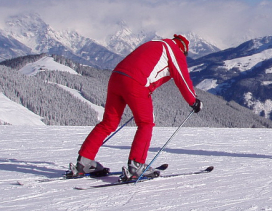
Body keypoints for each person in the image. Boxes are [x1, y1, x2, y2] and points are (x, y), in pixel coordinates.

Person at [67, 34, 202, 180]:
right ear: (184, 49)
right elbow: (182, 78)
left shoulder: (156, 43)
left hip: (116, 78)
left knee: (108, 123)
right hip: (135, 83)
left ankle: (84, 162)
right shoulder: (174, 51)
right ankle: (136, 165)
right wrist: (193, 101)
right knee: (146, 123)